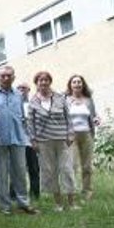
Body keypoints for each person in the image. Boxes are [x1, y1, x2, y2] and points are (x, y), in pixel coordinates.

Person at [0, 66, 38, 215]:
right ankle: (5, 206)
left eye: (9, 76)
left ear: (14, 77)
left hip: (17, 138)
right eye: (3, 76)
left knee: (20, 172)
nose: (6, 78)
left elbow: (22, 117)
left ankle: (23, 203)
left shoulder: (19, 95)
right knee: (1, 174)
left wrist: (27, 136)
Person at [29, 71, 78, 212]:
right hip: (43, 141)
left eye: (46, 80)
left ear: (50, 81)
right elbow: (30, 123)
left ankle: (72, 203)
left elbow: (68, 117)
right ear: (36, 83)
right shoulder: (33, 102)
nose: (43, 82)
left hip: (62, 139)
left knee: (67, 170)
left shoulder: (60, 98)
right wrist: (33, 140)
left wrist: (70, 134)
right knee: (50, 172)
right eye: (40, 80)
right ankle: (58, 204)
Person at [65, 75, 99, 201]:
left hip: (87, 135)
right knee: (72, 165)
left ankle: (87, 191)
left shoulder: (88, 100)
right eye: (74, 82)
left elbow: (94, 116)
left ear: (82, 84)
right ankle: (71, 192)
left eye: (79, 82)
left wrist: (96, 119)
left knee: (87, 166)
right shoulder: (66, 100)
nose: (77, 84)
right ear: (70, 85)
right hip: (72, 136)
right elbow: (63, 118)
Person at [17, 83, 41, 200]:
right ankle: (16, 193)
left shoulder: (33, 104)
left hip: (31, 142)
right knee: (17, 169)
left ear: (28, 90)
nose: (21, 91)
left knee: (33, 168)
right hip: (18, 142)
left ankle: (35, 193)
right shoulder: (15, 105)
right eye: (19, 88)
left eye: (24, 89)